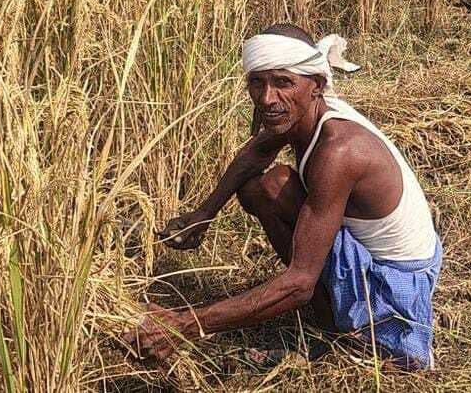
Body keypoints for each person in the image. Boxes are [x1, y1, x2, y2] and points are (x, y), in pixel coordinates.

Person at [123, 25, 443, 370]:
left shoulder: (339, 151)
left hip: (394, 284)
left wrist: (188, 324)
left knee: (280, 210)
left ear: (316, 86)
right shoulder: (299, 112)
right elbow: (255, 154)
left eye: (282, 82)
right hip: (370, 252)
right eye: (257, 83)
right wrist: (204, 214)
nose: (266, 98)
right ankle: (330, 312)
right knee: (264, 186)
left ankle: (337, 330)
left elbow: (299, 285)